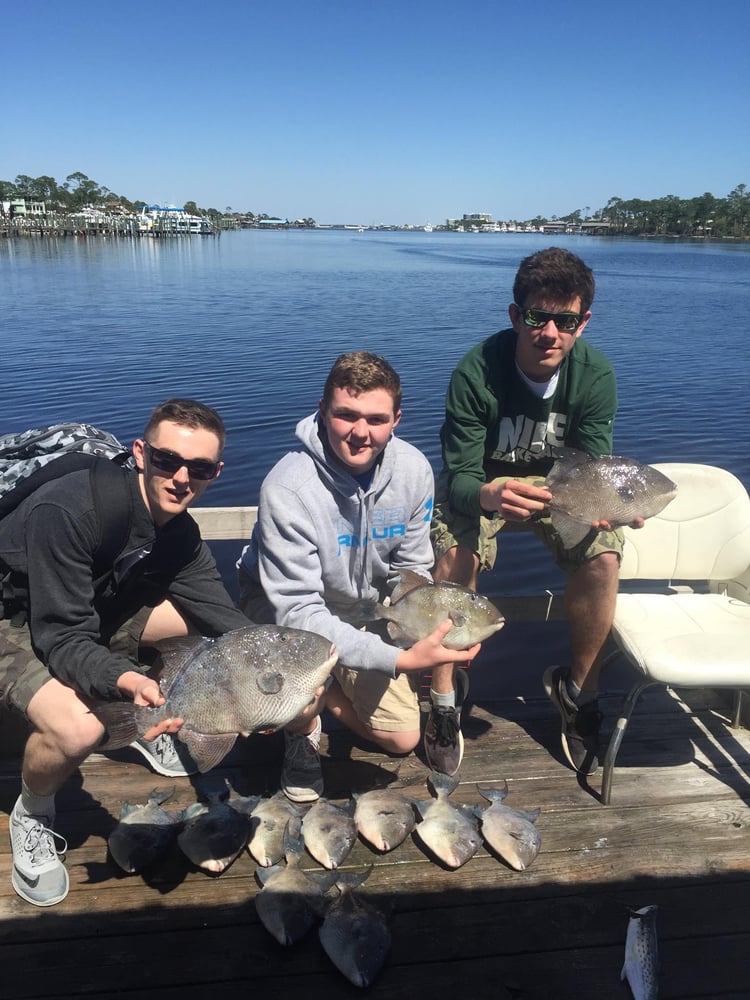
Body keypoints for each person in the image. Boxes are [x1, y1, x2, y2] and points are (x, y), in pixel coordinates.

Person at [0, 398, 251, 907]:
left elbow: (225, 621)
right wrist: (129, 680)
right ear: (140, 452)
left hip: (76, 608)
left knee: (190, 624)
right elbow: (61, 639)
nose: (181, 478)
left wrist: (274, 678)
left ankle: (139, 723)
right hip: (16, 617)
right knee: (79, 729)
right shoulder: (69, 510)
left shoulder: (180, 535)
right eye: (167, 460)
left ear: (215, 473)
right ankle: (34, 810)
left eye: (199, 468)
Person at [431, 246, 641, 777]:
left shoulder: (595, 377)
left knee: (604, 555)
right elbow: (457, 477)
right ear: (515, 315)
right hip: (483, 487)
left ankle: (578, 693)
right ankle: (444, 696)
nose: (548, 332)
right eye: (536, 316)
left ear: (582, 322)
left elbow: (591, 470)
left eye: (564, 320)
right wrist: (488, 495)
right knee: (456, 557)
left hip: (562, 491)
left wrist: (608, 509)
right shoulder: (476, 372)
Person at [238, 351, 479, 801]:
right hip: (283, 613)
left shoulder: (413, 471)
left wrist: (429, 627)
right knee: (294, 697)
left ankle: (326, 692)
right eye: (346, 415)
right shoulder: (288, 487)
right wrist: (396, 659)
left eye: (376, 419)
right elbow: (299, 610)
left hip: (364, 610)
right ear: (324, 410)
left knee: (402, 739)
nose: (360, 432)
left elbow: (411, 567)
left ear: (396, 419)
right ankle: (303, 728)